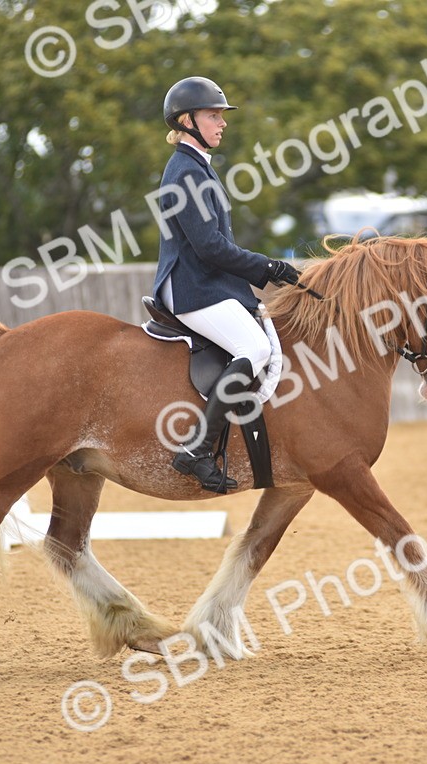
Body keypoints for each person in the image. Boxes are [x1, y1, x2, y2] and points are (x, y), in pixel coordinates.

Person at [153, 76, 301, 493]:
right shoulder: (185, 172)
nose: (222, 123)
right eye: (213, 116)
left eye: (221, 116)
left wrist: (263, 272)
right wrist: (267, 267)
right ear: (187, 121)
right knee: (255, 348)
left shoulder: (197, 167)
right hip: (191, 286)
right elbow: (209, 247)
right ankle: (197, 449)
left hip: (205, 281)